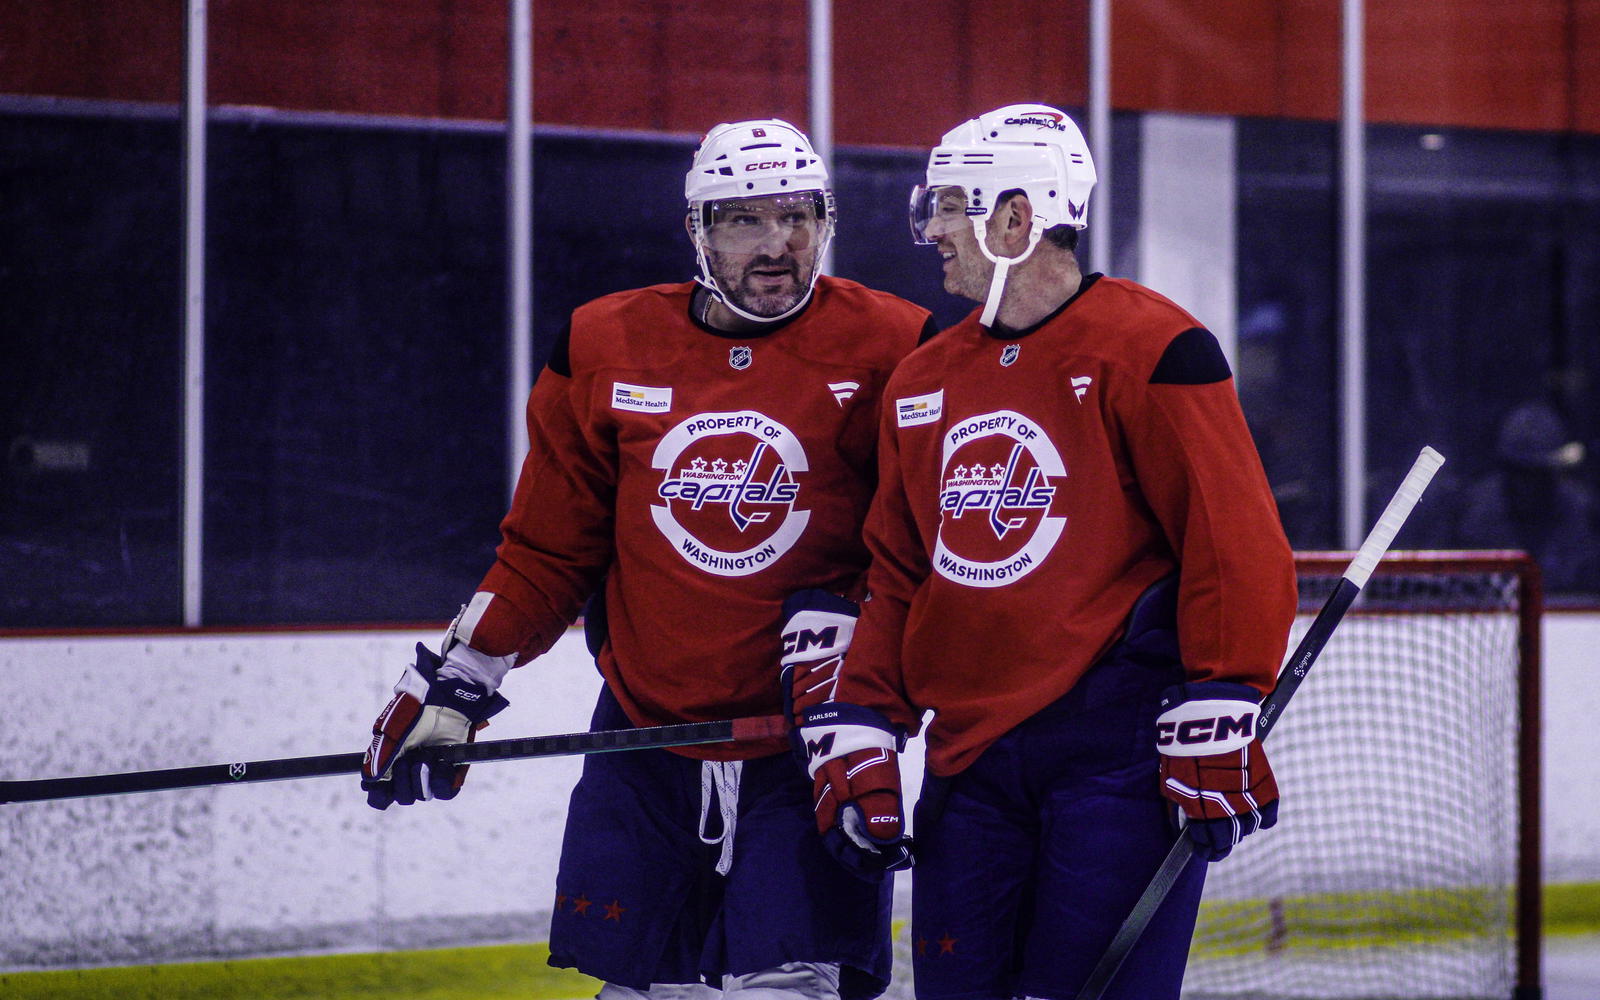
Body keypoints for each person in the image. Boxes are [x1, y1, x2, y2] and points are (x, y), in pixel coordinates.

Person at [359, 119, 935, 1000]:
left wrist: (866, 669)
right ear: (697, 233)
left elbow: (930, 548)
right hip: (646, 738)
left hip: (806, 747)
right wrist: (460, 678)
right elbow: (549, 549)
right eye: (745, 220)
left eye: (798, 217)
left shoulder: (902, 348)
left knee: (791, 989)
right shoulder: (604, 345)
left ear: (828, 223)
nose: (777, 245)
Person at [786, 105, 1298, 1000]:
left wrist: (1225, 689)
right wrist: (865, 714)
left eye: (952, 206)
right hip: (970, 762)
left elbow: (1233, 540)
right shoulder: (924, 378)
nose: (933, 229)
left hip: (1118, 754)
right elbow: (902, 571)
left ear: (1017, 217)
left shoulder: (1155, 348)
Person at [1455, 399, 1600, 593]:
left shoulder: (1583, 513)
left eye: (1538, 473)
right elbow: (1461, 585)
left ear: (1554, 472)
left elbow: (1587, 586)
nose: (1528, 485)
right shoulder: (1476, 512)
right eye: (1519, 471)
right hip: (1492, 619)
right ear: (1505, 468)